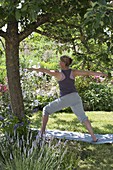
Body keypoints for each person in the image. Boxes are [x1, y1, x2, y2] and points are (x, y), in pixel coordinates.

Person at [27, 55, 107, 142]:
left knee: (46, 110)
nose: (59, 63)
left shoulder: (58, 73)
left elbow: (45, 70)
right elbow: (88, 73)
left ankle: (41, 133)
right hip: (76, 97)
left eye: (60, 61)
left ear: (64, 64)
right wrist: (102, 74)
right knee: (83, 118)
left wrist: (32, 69)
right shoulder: (73, 72)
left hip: (66, 98)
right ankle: (94, 138)